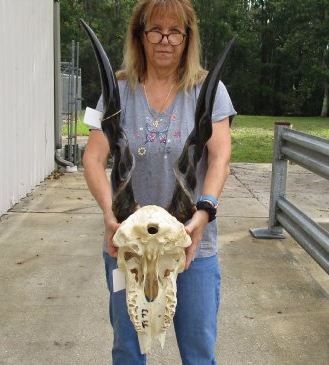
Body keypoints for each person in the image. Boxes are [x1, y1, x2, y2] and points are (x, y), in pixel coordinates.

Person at [83, 1, 236, 364]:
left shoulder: (208, 92)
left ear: (187, 38)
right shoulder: (117, 91)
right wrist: (110, 213)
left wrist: (205, 211)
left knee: (198, 349)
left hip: (190, 245)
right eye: (155, 30)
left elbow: (220, 158)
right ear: (140, 35)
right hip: (129, 248)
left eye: (175, 32)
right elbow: (93, 158)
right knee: (128, 347)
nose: (164, 40)